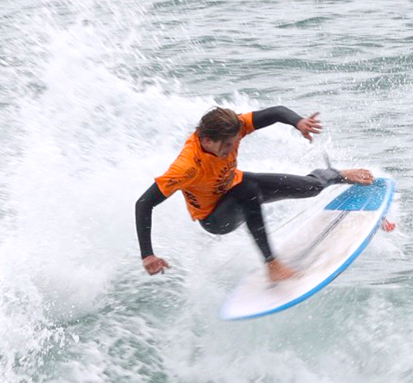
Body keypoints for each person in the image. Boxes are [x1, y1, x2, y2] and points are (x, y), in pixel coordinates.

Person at [134, 106, 375, 282]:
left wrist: (298, 122)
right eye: (226, 146)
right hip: (215, 218)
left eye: (234, 142)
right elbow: (144, 204)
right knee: (247, 190)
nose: (231, 149)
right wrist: (148, 255)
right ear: (206, 141)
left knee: (309, 188)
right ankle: (273, 265)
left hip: (237, 186)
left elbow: (276, 112)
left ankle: (336, 174)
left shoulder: (233, 127)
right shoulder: (186, 166)